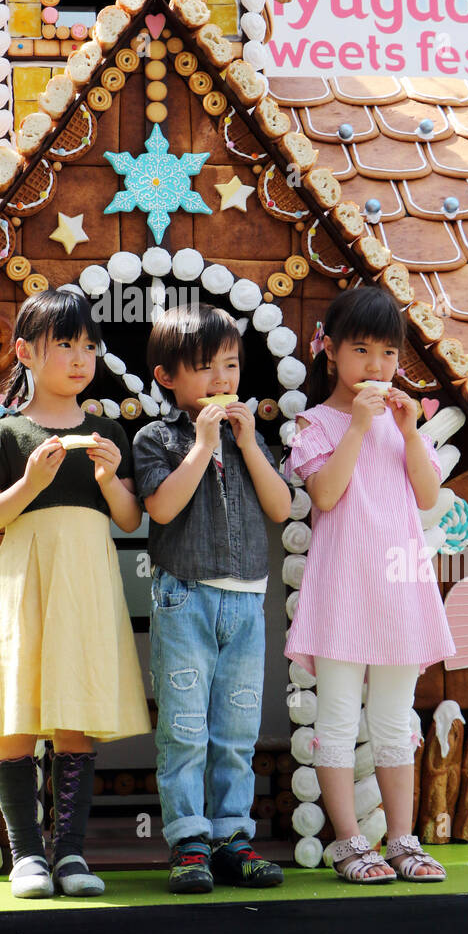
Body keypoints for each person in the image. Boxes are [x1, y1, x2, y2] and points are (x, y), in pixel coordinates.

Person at [0, 289, 151, 898]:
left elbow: (128, 518)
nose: (79, 358)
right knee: (17, 716)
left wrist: (108, 477)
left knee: (76, 720)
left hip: (86, 590)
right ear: (25, 352)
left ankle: (69, 855)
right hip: (26, 588)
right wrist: (30, 483)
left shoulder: (106, 431)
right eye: (64, 344)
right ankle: (27, 857)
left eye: (89, 346)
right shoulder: (7, 432)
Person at [285, 286, 455, 884]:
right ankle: (349, 844)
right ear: (330, 351)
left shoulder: (406, 425)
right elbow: (326, 495)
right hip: (342, 593)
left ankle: (403, 841)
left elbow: (428, 496)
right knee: (335, 720)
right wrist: (357, 427)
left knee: (393, 720)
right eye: (361, 350)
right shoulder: (314, 423)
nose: (377, 366)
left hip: (398, 592)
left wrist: (409, 433)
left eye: (388, 353)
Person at [132, 303, 293, 893]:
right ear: (167, 377)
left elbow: (281, 508)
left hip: (246, 603)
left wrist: (247, 445)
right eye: (204, 367)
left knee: (237, 729)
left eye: (230, 365)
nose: (222, 379)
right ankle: (188, 843)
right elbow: (161, 508)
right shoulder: (158, 438)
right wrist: (202, 445)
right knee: (184, 728)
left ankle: (232, 838)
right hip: (185, 597)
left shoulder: (254, 439)